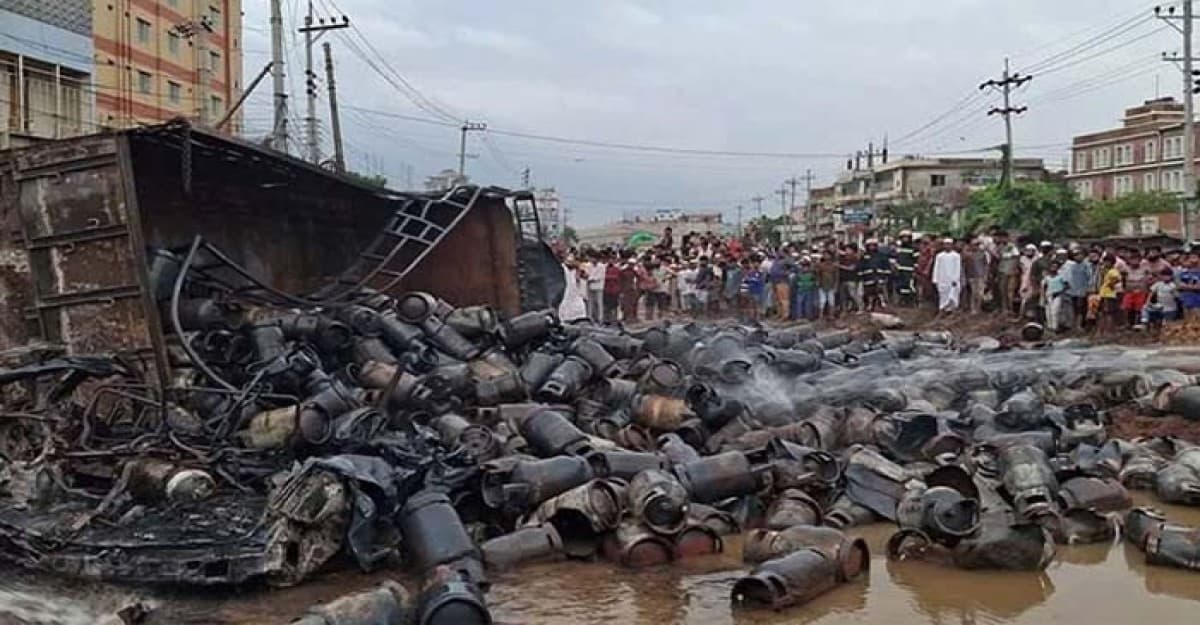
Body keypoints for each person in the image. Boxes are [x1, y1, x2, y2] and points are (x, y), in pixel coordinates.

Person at [859, 239, 891, 311]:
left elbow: (886, 265)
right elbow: (861, 266)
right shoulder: (864, 256)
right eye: (870, 245)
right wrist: (861, 275)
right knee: (869, 292)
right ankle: (870, 305)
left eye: (873, 245)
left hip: (879, 277)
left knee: (880, 291)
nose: (872, 247)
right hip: (868, 278)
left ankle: (883, 304)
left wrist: (886, 275)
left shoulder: (881, 255)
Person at [1121, 248, 1150, 328]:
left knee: (1139, 308)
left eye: (1136, 259)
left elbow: (1148, 278)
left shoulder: (1144, 268)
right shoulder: (1125, 269)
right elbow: (1123, 279)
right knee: (1127, 308)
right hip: (1129, 291)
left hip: (1141, 291)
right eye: (1132, 259)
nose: (1134, 261)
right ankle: (1129, 324)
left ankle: (1138, 324)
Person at [932, 238, 962, 314]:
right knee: (943, 295)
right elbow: (936, 267)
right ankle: (942, 309)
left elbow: (958, 268)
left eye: (949, 244)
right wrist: (935, 279)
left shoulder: (956, 256)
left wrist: (956, 279)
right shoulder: (939, 256)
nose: (947, 246)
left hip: (952, 279)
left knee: (953, 295)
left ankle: (952, 309)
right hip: (942, 279)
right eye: (946, 244)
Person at [1147, 268, 1180, 332]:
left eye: (1168, 276)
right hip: (1159, 307)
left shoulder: (1173, 285)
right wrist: (1148, 302)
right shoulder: (1158, 284)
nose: (1166, 277)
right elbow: (1151, 293)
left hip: (1171, 308)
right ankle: (1156, 334)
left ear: (1171, 276)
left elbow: (1177, 296)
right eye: (1164, 275)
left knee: (1168, 323)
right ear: (1161, 276)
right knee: (1158, 322)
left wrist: (1174, 293)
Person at [1097, 256, 1122, 336]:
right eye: (1105, 262)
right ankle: (1101, 330)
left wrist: (1111, 283)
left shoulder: (1113, 271)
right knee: (1102, 313)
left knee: (1109, 313)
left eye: (1108, 262)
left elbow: (1118, 278)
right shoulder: (1105, 271)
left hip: (1110, 295)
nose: (1106, 263)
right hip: (1103, 294)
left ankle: (1108, 331)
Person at [1042, 261, 1069, 333]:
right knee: (1048, 313)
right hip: (1048, 295)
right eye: (1052, 266)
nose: (1053, 268)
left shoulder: (1061, 276)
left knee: (1055, 312)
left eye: (1055, 266)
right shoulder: (1047, 277)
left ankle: (1055, 327)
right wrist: (1044, 297)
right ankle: (1049, 327)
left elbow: (1067, 286)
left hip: (1057, 295)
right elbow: (1044, 287)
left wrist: (1060, 291)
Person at [965, 239, 990, 313]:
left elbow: (986, 265)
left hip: (980, 276)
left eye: (976, 245)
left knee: (980, 293)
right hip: (972, 275)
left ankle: (978, 308)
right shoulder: (969, 255)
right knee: (973, 292)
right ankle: (973, 308)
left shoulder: (983, 254)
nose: (974, 246)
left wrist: (986, 275)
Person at [893, 230, 917, 306]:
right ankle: (901, 300)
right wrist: (895, 267)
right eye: (903, 237)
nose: (905, 239)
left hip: (909, 270)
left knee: (910, 286)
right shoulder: (898, 248)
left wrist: (915, 270)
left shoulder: (914, 248)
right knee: (900, 285)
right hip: (900, 270)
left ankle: (909, 301)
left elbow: (916, 260)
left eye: (907, 237)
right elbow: (895, 258)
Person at [768, 250, 793, 320]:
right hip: (774, 282)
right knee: (777, 300)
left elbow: (794, 267)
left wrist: (787, 272)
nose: (779, 253)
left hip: (783, 282)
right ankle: (780, 313)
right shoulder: (775, 261)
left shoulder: (787, 260)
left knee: (784, 299)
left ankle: (786, 315)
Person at [792, 256, 819, 321]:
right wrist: (799, 284)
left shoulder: (812, 274)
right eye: (803, 266)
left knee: (808, 304)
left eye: (806, 266)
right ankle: (799, 317)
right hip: (800, 291)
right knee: (799, 304)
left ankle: (808, 317)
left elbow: (815, 282)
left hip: (809, 291)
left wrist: (811, 284)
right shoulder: (798, 274)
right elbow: (795, 282)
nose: (805, 268)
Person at [838, 244, 861, 313]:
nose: (847, 250)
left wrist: (839, 266)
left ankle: (860, 308)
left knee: (853, 294)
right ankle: (845, 310)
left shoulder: (855, 258)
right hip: (843, 279)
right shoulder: (843, 257)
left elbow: (852, 268)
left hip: (852, 279)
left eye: (848, 249)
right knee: (843, 296)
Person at [815, 251, 839, 320]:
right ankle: (821, 315)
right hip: (822, 285)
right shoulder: (820, 265)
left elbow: (836, 276)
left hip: (831, 285)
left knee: (831, 301)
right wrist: (818, 282)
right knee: (822, 301)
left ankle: (831, 315)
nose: (826, 256)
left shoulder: (834, 265)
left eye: (828, 255)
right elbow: (817, 274)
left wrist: (835, 286)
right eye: (825, 255)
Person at [586, 251, 608, 321]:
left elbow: (601, 276)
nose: (593, 260)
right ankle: (590, 317)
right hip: (590, 286)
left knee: (599, 303)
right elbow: (586, 274)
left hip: (599, 287)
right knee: (590, 303)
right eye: (592, 258)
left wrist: (591, 278)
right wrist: (590, 279)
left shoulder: (602, 266)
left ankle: (600, 318)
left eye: (594, 258)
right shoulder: (588, 265)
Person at [1177, 252, 1200, 319]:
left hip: (1197, 303)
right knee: (1188, 325)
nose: (1191, 259)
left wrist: (1186, 286)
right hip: (1186, 301)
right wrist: (1193, 287)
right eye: (1190, 258)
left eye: (1194, 257)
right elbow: (1180, 286)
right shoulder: (1184, 272)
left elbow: (1198, 287)